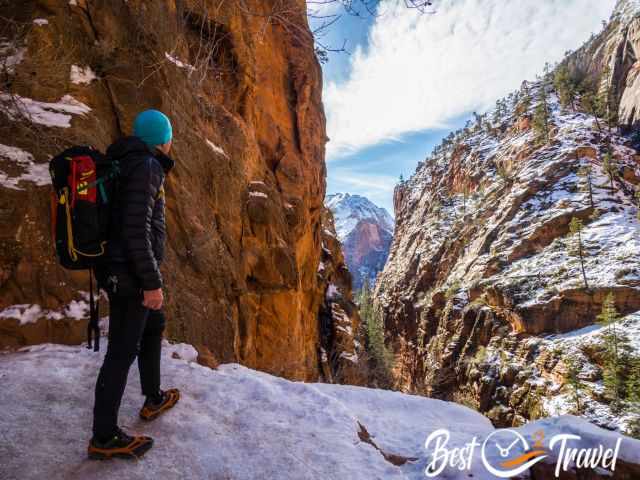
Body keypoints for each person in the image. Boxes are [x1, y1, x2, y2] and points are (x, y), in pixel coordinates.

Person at [88, 110, 181, 460]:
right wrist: (151, 282)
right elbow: (135, 231)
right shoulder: (147, 167)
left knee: (154, 325)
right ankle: (104, 436)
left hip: (118, 269)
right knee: (121, 353)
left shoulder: (125, 162)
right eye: (169, 135)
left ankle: (153, 396)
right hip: (131, 276)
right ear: (161, 138)